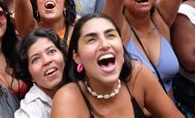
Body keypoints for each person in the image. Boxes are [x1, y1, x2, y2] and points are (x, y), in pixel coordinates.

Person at [50, 14, 183, 117]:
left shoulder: (137, 75)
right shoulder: (68, 98)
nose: (105, 44)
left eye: (110, 35)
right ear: (77, 57)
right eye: (91, 39)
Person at [14, 28, 67, 117]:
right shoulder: (31, 110)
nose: (46, 61)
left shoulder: (81, 85)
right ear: (29, 74)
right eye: (36, 59)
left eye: (51, 51)